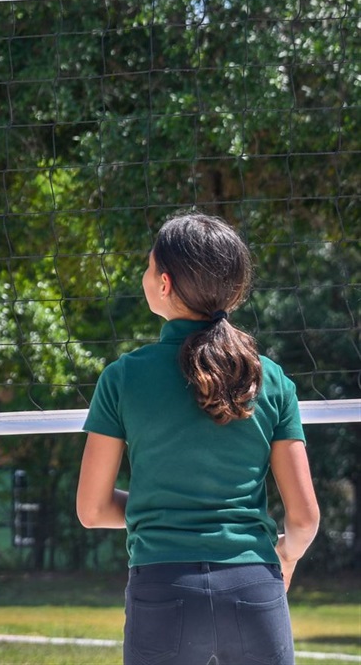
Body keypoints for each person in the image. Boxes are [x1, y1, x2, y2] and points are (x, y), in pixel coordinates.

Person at [76, 212, 320, 665]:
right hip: (254, 586)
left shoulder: (123, 377)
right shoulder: (272, 379)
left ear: (164, 284)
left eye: (148, 267)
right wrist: (284, 558)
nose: (144, 276)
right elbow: (304, 519)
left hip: (163, 588)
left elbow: (91, 510)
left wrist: (163, 508)